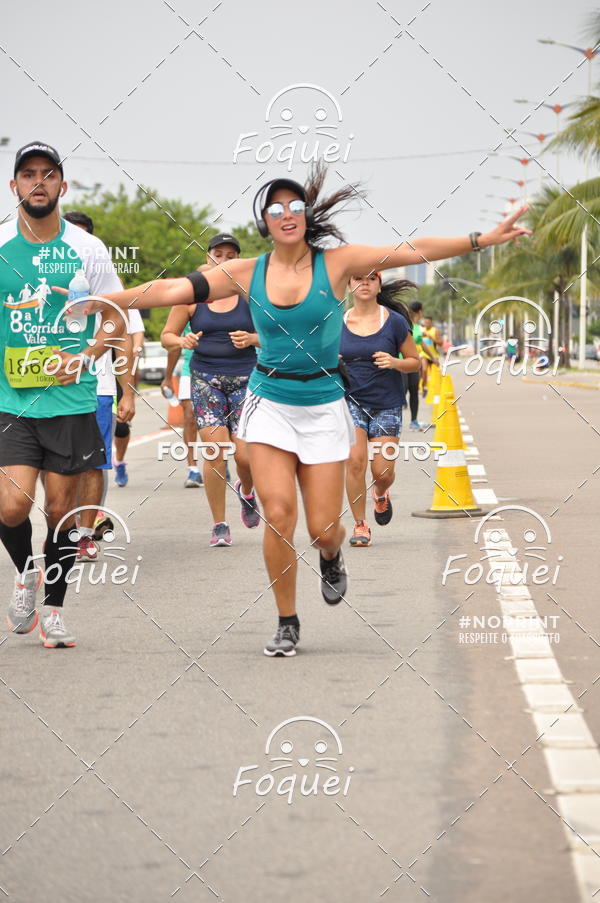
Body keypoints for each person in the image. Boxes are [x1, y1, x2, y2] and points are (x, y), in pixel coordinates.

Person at [98, 162, 529, 657]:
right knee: (279, 513)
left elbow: (414, 249)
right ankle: (287, 621)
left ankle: (331, 554)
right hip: (269, 402)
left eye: (295, 205)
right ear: (265, 220)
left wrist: (481, 239)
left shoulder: (338, 263)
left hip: (324, 404)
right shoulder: (244, 272)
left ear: (306, 215)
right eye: (276, 207)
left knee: (323, 526)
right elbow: (173, 289)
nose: (287, 213)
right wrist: (105, 300)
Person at [1, 141, 124, 647]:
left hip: (71, 403)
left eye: (47, 175)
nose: (38, 182)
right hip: (12, 401)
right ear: (14, 187)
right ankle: (26, 569)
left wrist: (87, 356)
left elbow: (115, 317)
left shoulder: (87, 250)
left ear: (62, 186)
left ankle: (53, 608)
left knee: (60, 513)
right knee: (10, 507)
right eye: (28, 174)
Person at [161, 232, 260, 546]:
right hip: (206, 379)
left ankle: (247, 491)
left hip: (246, 378)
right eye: (219, 254)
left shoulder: (251, 296)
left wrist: (254, 339)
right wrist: (182, 341)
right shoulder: (191, 296)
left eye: (232, 256)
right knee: (215, 452)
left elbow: (279, 334)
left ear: (239, 261)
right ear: (208, 258)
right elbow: (167, 335)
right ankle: (219, 524)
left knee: (245, 456)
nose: (225, 260)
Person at [62, 210, 139, 560]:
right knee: (60, 465)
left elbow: (123, 337)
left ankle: (85, 532)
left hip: (98, 386)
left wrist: (127, 390)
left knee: (92, 463)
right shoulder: (43, 273)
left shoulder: (107, 283)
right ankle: (63, 526)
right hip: (50, 385)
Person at [341, 274, 420, 547]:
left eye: (371, 278)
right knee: (354, 462)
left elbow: (415, 362)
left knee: (383, 472)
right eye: (358, 278)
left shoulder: (394, 323)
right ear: (349, 285)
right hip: (349, 401)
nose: (365, 283)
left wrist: (395, 363)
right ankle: (360, 525)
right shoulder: (336, 323)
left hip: (386, 403)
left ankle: (381, 492)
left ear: (378, 284)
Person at [162, 326, 204, 488]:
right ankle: (193, 469)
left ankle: (221, 461)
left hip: (222, 368)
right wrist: (167, 377)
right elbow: (173, 345)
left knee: (221, 420)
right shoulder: (186, 305)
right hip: (191, 369)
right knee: (190, 416)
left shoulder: (228, 302)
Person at [113, 320, 145, 487]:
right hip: (87, 369)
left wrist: (136, 348)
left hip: (115, 369)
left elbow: (137, 331)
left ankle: (119, 461)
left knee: (121, 426)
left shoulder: (121, 301)